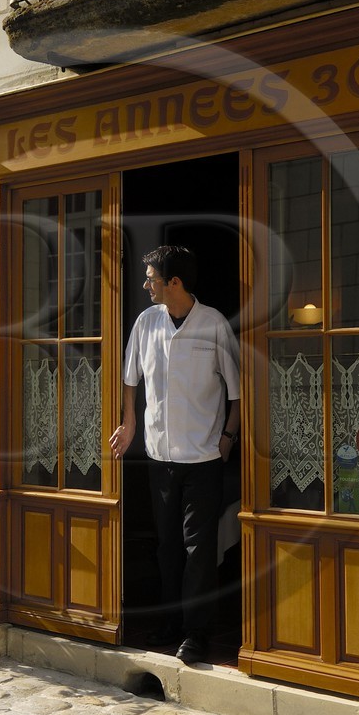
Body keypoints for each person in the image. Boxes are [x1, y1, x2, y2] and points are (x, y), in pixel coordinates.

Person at [109, 244, 241, 664]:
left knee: (198, 549)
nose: (146, 283)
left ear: (175, 282)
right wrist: (129, 424)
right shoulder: (146, 323)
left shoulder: (214, 325)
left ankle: (197, 632)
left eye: (151, 277)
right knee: (167, 547)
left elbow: (237, 390)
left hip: (203, 459)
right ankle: (170, 620)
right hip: (160, 458)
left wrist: (228, 437)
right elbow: (131, 378)